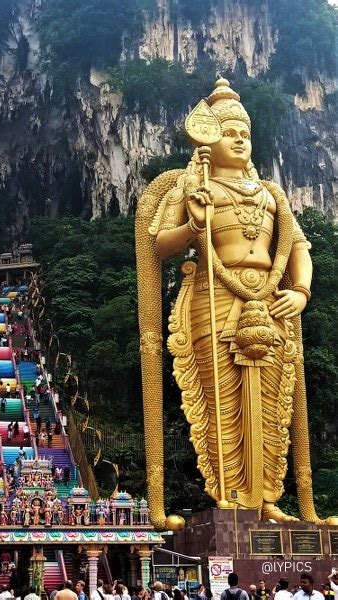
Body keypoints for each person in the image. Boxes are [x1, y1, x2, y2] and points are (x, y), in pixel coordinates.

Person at [136, 76, 329, 526]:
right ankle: (229, 493)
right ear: (208, 139)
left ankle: (266, 498)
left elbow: (298, 247)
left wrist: (299, 291)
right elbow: (158, 245)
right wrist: (193, 225)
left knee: (272, 400)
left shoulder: (271, 193)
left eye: (245, 133)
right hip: (213, 296)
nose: (240, 140)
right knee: (218, 395)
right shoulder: (193, 187)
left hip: (270, 298)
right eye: (230, 132)